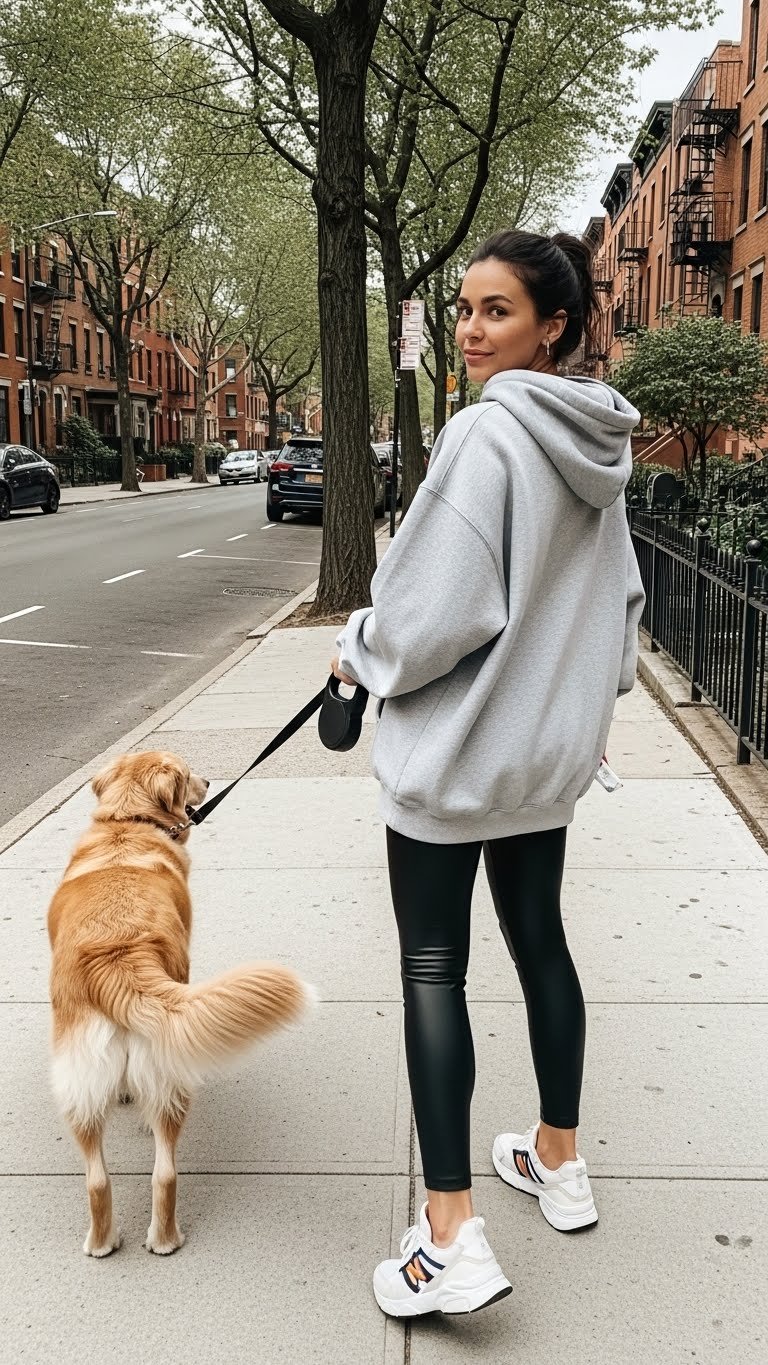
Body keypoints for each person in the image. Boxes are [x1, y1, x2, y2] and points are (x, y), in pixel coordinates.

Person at [331, 229, 645, 1320]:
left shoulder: (483, 438)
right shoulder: (601, 443)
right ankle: (557, 1159)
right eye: (463, 309)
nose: (470, 329)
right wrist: (572, 715)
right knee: (542, 944)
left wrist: (360, 645)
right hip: (541, 766)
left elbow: (427, 620)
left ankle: (450, 1232)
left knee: (434, 969)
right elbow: (623, 613)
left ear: (551, 323)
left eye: (496, 310)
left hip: (457, 763)